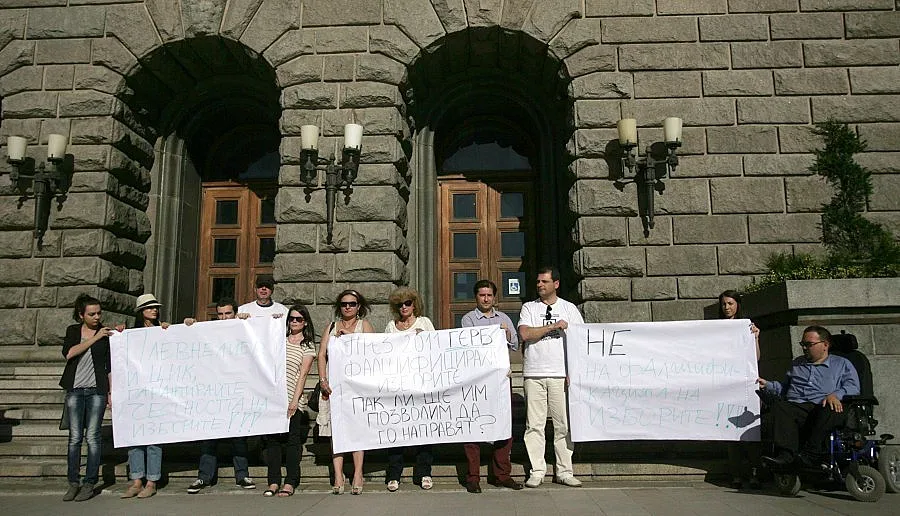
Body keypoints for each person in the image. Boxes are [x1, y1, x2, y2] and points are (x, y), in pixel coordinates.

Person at [518, 266, 583, 488]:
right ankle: (537, 470)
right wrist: (553, 327)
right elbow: (526, 334)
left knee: (563, 424)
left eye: (544, 282)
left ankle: (564, 471)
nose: (539, 285)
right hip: (534, 373)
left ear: (555, 284)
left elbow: (579, 342)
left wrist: (572, 371)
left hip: (559, 374)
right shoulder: (529, 307)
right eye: (538, 281)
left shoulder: (570, 308)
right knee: (534, 425)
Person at [759, 325, 860, 468]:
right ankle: (786, 455)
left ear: (825, 345)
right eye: (803, 344)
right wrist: (767, 385)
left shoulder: (841, 364)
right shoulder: (797, 364)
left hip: (823, 406)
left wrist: (835, 395)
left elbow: (853, 387)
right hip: (798, 406)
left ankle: (811, 454)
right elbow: (784, 388)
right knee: (780, 407)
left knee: (831, 409)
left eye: (809, 344)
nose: (805, 348)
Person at [184, 298, 255, 493]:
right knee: (209, 437)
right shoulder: (209, 331)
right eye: (221, 314)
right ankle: (204, 477)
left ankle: (242, 475)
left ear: (235, 313)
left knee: (238, 438)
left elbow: (263, 335)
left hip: (236, 392)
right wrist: (189, 327)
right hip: (212, 394)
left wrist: (249, 320)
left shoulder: (243, 328)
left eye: (228, 314)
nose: (224, 318)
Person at [460, 280, 523, 493]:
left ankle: (502, 475)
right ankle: (473, 477)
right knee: (474, 428)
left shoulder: (504, 318)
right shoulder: (468, 319)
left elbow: (515, 343)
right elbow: (469, 346)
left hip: (500, 380)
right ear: (476, 297)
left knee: (504, 426)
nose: (485, 299)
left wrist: (505, 335)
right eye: (481, 295)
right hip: (477, 380)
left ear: (494, 297)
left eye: (489, 295)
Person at [317, 289, 375, 495]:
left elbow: (373, 350)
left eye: (352, 303)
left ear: (359, 306)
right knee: (337, 431)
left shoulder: (364, 326)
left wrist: (351, 336)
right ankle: (338, 475)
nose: (348, 307)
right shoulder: (331, 327)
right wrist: (323, 379)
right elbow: (321, 354)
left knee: (356, 430)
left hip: (356, 386)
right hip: (335, 386)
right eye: (344, 304)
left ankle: (358, 473)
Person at [60, 294, 111, 502]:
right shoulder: (73, 331)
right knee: (74, 438)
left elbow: (109, 365)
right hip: (75, 389)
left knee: (93, 437)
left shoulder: (105, 334)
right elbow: (69, 353)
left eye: (99, 313)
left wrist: (110, 392)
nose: (96, 317)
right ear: (81, 315)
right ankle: (73, 482)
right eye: (91, 314)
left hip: (96, 390)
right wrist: (95, 338)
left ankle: (89, 483)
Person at [384, 287, 436, 491]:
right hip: (398, 387)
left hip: (422, 385)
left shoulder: (425, 322)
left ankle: (424, 472)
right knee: (396, 431)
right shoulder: (391, 326)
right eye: (399, 304)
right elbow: (383, 353)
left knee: (423, 431)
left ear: (414, 304)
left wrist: (425, 338)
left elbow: (436, 350)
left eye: (407, 303)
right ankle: (394, 474)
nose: (404, 307)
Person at [264, 304, 316, 497]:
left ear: (305, 323)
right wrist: (275, 319)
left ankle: (290, 481)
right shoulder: (279, 340)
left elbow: (302, 375)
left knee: (293, 442)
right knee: (273, 442)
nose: (294, 322)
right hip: (273, 399)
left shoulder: (307, 345)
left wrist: (294, 401)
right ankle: (273, 481)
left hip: (292, 398)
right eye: (291, 318)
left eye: (298, 319)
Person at [121, 294, 170, 499]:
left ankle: (152, 481)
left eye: (156, 308)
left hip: (158, 390)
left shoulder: (164, 330)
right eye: (150, 308)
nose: (154, 311)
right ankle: (137, 480)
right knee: (135, 437)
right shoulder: (131, 333)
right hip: (136, 391)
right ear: (141, 312)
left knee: (154, 438)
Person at [718, 290, 763, 489]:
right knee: (731, 434)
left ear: (737, 305)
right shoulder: (715, 328)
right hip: (725, 386)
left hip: (744, 386)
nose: (726, 308)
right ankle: (736, 474)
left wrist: (755, 338)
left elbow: (756, 358)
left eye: (730, 303)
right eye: (724, 304)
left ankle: (754, 473)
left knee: (750, 433)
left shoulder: (747, 327)